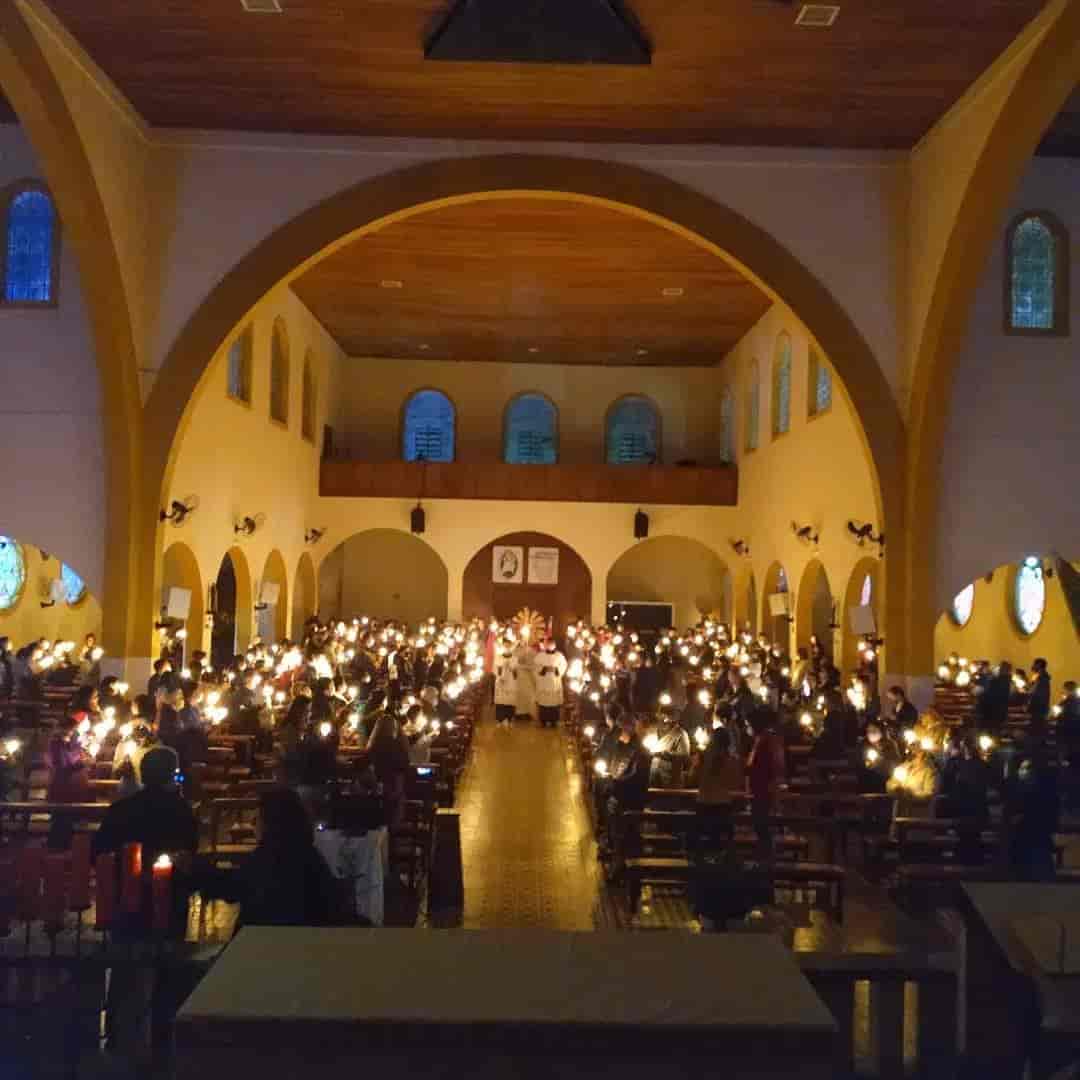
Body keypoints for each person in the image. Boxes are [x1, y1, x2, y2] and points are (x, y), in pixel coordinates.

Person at [198, 788, 345, 930]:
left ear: (270, 822)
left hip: (264, 943)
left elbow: (235, 886)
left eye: (257, 818)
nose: (253, 824)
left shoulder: (266, 858)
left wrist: (197, 871)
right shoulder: (310, 855)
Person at [1005, 755, 1059, 882]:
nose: (1021, 771)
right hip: (1027, 842)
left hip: (1035, 841)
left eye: (1025, 769)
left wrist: (1022, 818)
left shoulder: (1039, 793)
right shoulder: (1022, 790)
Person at [46, 711, 93, 848]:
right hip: (61, 786)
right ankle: (56, 848)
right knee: (60, 820)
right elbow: (61, 765)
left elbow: (74, 758)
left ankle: (65, 846)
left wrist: (84, 757)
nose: (73, 733)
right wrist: (82, 763)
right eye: (72, 730)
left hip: (70, 787)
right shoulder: (56, 744)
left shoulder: (69, 743)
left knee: (67, 820)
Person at [746, 706, 785, 860]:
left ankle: (766, 863)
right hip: (760, 791)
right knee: (761, 830)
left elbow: (764, 767)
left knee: (764, 831)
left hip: (763, 793)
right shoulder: (763, 740)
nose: (747, 727)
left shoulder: (765, 741)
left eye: (748, 725)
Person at [695, 726, 744, 851]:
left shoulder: (704, 756)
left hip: (704, 800)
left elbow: (694, 776)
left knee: (707, 837)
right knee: (722, 838)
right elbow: (735, 783)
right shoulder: (732, 759)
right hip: (723, 801)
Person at [857, 719, 900, 794]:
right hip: (867, 782)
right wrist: (867, 763)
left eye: (874, 731)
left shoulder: (890, 745)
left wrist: (880, 761)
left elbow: (895, 763)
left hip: (885, 781)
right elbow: (859, 763)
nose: (870, 733)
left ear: (881, 732)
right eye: (868, 731)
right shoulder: (863, 745)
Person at [534, 637, 567, 728]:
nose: (550, 645)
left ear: (554, 645)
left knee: (554, 702)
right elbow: (536, 666)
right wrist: (544, 669)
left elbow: (564, 666)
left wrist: (556, 669)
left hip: (554, 682)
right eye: (548, 644)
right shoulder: (540, 656)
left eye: (552, 644)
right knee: (544, 702)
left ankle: (554, 721)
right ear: (545, 645)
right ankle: (543, 720)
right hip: (544, 681)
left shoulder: (559, 656)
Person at [1027, 658, 1051, 735]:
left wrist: (1028, 693)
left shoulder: (1042, 678)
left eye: (1034, 664)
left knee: (1036, 728)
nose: (1032, 666)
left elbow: (1037, 693)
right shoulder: (1039, 676)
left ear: (1039, 665)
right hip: (1039, 707)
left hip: (1039, 707)